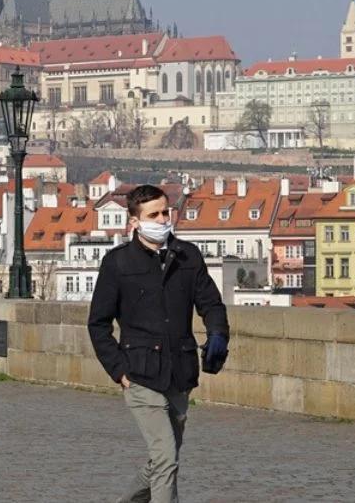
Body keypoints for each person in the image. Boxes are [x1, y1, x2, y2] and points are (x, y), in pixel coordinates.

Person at [88, 185, 229, 503]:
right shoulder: (117, 263)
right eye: (154, 214)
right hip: (139, 373)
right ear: (134, 222)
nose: (163, 219)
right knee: (166, 457)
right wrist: (119, 371)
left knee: (162, 460)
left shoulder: (188, 256)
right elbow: (98, 324)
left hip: (180, 372)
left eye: (166, 212)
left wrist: (218, 333)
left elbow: (211, 303)